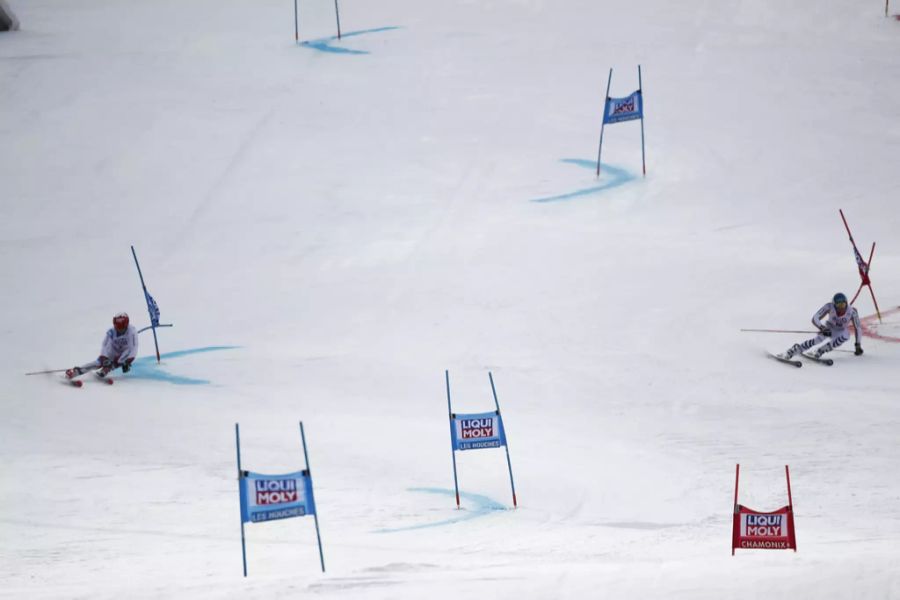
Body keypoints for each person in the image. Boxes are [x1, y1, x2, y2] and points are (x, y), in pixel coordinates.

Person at [781, 293, 863, 360]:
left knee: (846, 336)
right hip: (829, 327)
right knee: (817, 340)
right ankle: (794, 350)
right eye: (839, 305)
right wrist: (822, 328)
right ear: (834, 305)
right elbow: (815, 318)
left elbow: (858, 328)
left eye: (843, 305)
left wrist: (858, 344)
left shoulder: (852, 312)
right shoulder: (829, 306)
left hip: (841, 330)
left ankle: (821, 350)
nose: (841, 308)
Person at [65, 312, 139, 378]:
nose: (119, 330)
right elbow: (105, 345)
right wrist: (104, 358)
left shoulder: (132, 331)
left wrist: (128, 362)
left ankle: (107, 369)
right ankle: (77, 371)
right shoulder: (111, 331)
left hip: (124, 351)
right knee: (99, 363)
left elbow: (134, 348)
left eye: (121, 328)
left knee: (120, 360)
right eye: (117, 328)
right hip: (113, 350)